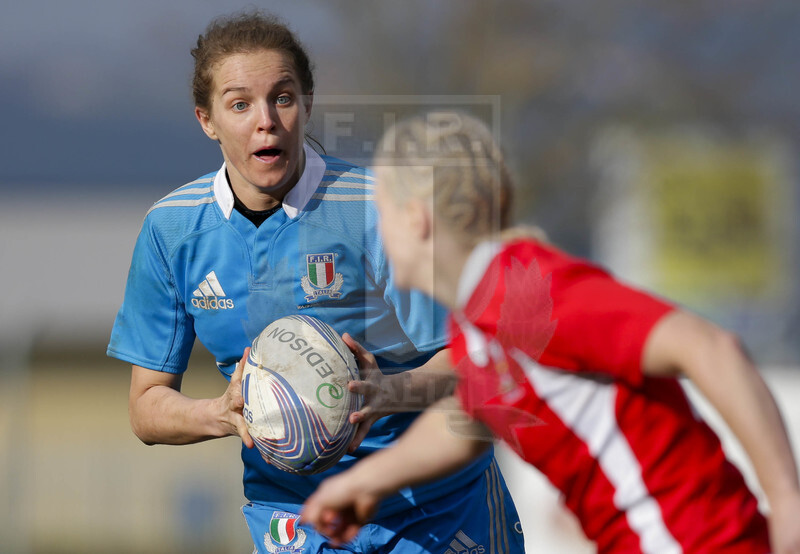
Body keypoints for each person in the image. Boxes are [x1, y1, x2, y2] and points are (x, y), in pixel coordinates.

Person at [106, 13, 526, 554]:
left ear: (307, 103)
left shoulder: (378, 209)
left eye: (282, 98)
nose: (266, 121)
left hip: (433, 506)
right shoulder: (172, 230)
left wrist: (389, 392)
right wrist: (221, 412)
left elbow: (477, 361)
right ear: (206, 120)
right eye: (239, 104)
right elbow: (147, 406)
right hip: (296, 513)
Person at [301, 113, 800, 553]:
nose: (378, 231)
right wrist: (365, 481)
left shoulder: (534, 290)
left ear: (417, 220)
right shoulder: (480, 319)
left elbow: (711, 348)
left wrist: (788, 501)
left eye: (382, 215)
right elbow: (470, 421)